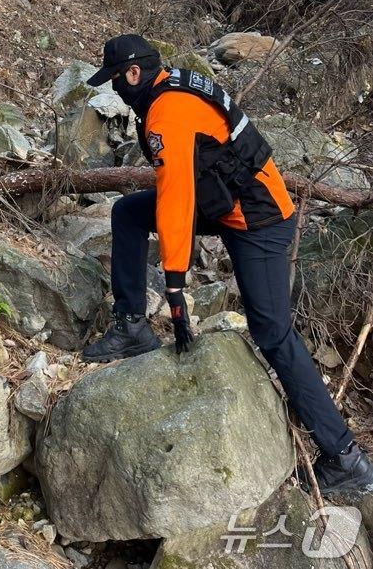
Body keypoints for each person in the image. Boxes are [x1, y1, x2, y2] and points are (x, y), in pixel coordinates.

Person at [81, 34, 373, 496]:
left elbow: (176, 198)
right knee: (127, 214)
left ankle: (345, 458)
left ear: (133, 73)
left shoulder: (166, 110)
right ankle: (132, 323)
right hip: (228, 205)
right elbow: (181, 189)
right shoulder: (169, 87)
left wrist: (175, 287)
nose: (115, 90)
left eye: (116, 81)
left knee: (272, 331)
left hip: (259, 219)